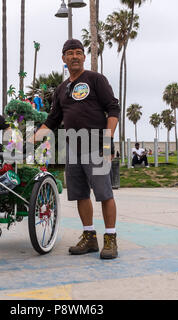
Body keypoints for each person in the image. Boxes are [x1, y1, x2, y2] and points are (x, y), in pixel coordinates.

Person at [31, 39, 120, 260]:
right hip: (72, 147)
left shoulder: (96, 79)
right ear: (63, 58)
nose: (75, 56)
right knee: (80, 194)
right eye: (70, 53)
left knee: (104, 193)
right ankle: (89, 237)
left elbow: (113, 108)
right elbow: (52, 120)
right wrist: (29, 141)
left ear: (84, 57)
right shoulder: (62, 89)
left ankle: (110, 238)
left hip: (96, 144)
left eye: (79, 52)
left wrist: (108, 142)